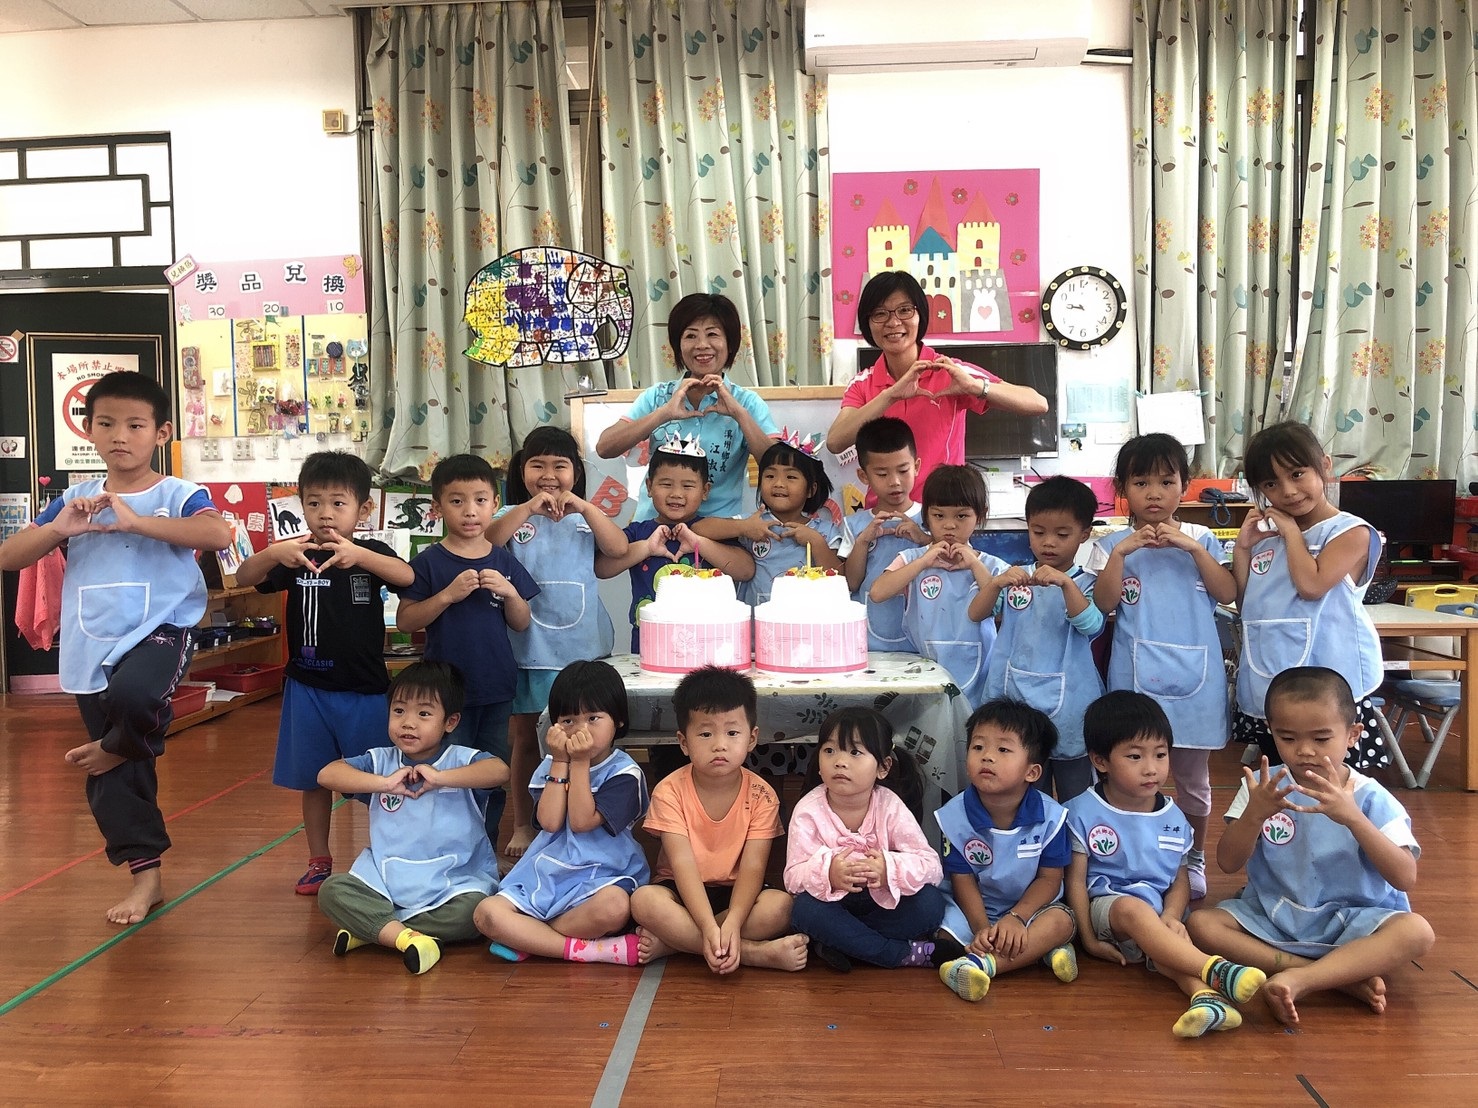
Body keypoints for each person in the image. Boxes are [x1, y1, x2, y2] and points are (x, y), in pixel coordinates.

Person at [0, 371, 231, 926]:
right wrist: (61, 528)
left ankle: (119, 742)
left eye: (134, 424)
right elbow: (11, 556)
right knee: (114, 778)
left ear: (161, 432)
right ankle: (144, 876)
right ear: (89, 429)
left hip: (162, 624)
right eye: (105, 423)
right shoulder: (75, 498)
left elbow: (217, 536)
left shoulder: (177, 493)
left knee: (135, 695)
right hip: (89, 639)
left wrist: (137, 520)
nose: (119, 435)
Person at [1187, 667, 1434, 1026]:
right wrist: (1253, 816)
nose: (1304, 751)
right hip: (1275, 915)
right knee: (1202, 925)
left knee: (1417, 932)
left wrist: (1354, 819)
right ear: (1272, 732)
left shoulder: (1371, 798)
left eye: (1321, 739)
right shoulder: (1262, 788)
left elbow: (1404, 877)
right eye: (1288, 738)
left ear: (1353, 735)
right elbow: (1227, 862)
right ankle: (1335, 977)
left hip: (1356, 921)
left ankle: (1300, 979)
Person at [234, 451, 415, 894]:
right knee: (313, 778)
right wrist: (276, 551)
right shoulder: (296, 554)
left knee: (379, 779)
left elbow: (407, 577)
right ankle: (319, 859)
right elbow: (244, 576)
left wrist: (361, 557)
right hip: (307, 688)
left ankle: (386, 857)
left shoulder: (370, 552)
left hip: (365, 690)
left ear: (363, 509)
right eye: (314, 503)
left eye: (338, 503)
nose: (325, 514)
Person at [1065, 691, 1267, 1038]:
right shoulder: (1080, 811)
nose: (1152, 768)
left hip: (1158, 913)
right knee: (1134, 911)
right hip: (1107, 910)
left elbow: (1179, 879)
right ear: (1100, 761)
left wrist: (1172, 916)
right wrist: (1087, 939)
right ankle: (1217, 970)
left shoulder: (1173, 816)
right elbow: (1075, 882)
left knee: (1167, 946)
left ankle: (1205, 998)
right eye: (1134, 756)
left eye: (1160, 755)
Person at [1089, 433, 1237, 899]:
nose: (1154, 493)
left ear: (1185, 486)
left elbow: (1228, 593)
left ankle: (1190, 856)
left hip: (1198, 682)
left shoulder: (1204, 538)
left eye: (1167, 481)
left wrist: (1192, 550)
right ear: (1123, 489)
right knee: (1125, 774)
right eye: (1141, 482)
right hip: (1134, 679)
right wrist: (1120, 554)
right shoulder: (1110, 543)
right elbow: (1102, 604)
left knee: (1193, 779)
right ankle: (1122, 856)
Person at [489, 427, 628, 859]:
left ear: (576, 473)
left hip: (582, 649)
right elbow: (488, 542)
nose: (549, 475)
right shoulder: (512, 514)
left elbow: (618, 548)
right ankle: (524, 823)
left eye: (560, 466)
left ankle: (584, 813)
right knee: (526, 738)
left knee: (589, 736)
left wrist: (585, 507)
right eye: (537, 465)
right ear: (521, 471)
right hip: (528, 647)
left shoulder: (587, 517)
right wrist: (527, 507)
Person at [316, 662, 507, 975]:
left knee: (477, 913)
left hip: (454, 884)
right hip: (385, 883)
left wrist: (442, 777)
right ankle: (405, 937)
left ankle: (376, 929)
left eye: (424, 714)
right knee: (332, 891)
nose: (408, 723)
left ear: (451, 721)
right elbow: (327, 774)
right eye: (399, 711)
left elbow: (500, 770)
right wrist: (384, 783)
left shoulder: (463, 759)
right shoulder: (380, 761)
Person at [396, 454, 538, 845]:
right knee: (446, 771)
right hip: (443, 695)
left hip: (495, 687)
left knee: (491, 773)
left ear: (495, 504)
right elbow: (406, 622)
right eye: (457, 501)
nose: (470, 511)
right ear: (437, 508)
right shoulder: (428, 562)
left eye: (480, 499)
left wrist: (509, 592)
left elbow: (522, 621)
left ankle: (484, 848)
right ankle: (446, 847)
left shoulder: (503, 559)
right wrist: (446, 596)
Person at [629, 666, 808, 973]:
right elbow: (682, 865)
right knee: (644, 901)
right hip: (682, 890)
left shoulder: (762, 795)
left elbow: (753, 867)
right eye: (706, 733)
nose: (720, 744)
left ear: (752, 738)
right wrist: (708, 927)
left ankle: (676, 945)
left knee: (780, 906)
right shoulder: (670, 791)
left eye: (732, 732)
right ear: (684, 742)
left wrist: (733, 921)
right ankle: (751, 953)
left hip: (738, 893)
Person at [1232, 421, 1388, 770]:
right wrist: (1243, 549)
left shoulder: (1351, 531)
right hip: (1273, 688)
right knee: (1281, 794)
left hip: (1328, 694)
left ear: (1325, 465)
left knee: (1336, 792)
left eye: (1298, 474)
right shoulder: (1265, 539)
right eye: (1271, 484)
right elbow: (1247, 605)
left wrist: (1289, 532)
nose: (1287, 491)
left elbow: (1312, 585)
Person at [474, 660, 650, 966]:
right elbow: (551, 822)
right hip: (548, 870)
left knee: (615, 907)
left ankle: (531, 939)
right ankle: (587, 950)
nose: (580, 729)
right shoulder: (551, 764)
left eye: (593, 718)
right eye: (568, 721)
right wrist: (559, 761)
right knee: (486, 914)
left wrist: (579, 763)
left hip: (602, 874)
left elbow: (582, 823)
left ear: (618, 720)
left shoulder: (625, 774)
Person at [824, 271, 1048, 500]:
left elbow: (1038, 403)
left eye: (904, 310)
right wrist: (891, 395)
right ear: (867, 323)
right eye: (880, 314)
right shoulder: (863, 382)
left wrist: (976, 387)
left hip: (942, 516)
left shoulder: (949, 372)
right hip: (884, 520)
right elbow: (835, 442)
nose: (893, 322)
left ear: (920, 315)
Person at [933, 699, 1080, 1002]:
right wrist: (982, 930)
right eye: (978, 747)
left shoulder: (1052, 818)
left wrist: (1016, 917)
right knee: (941, 935)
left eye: (1003, 750)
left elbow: (1050, 879)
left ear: (1032, 771)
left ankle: (980, 964)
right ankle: (1036, 953)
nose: (987, 757)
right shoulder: (954, 816)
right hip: (976, 908)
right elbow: (963, 880)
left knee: (1062, 922)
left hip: (1028, 908)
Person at [784, 707, 945, 972]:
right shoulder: (808, 810)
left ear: (883, 767)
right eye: (829, 750)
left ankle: (843, 943)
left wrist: (889, 868)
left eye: (855, 752)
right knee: (804, 910)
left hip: (882, 903)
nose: (840, 761)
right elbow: (792, 877)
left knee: (930, 903)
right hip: (833, 904)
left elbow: (931, 866)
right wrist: (828, 873)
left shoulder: (890, 806)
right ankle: (900, 954)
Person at [594, 292, 778, 520]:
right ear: (678, 346)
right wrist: (664, 413)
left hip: (718, 534)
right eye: (690, 336)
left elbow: (777, 465)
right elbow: (605, 447)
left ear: (730, 344)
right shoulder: (657, 396)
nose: (702, 345)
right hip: (654, 528)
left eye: (712, 334)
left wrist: (739, 414)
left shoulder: (747, 403)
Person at [983, 476, 1104, 801]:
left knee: (1076, 794)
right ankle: (1033, 849)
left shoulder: (1087, 583)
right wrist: (995, 584)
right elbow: (976, 613)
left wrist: (1066, 585)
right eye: (1038, 532)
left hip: (1071, 706)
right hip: (1016, 697)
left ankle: (1076, 852)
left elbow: (1091, 625)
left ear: (1084, 534)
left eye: (1062, 534)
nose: (1049, 542)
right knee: (1025, 791)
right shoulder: (1015, 578)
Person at [869, 465, 1009, 708]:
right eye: (939, 515)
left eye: (961, 516)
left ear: (980, 514)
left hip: (982, 675)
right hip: (925, 671)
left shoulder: (992, 566)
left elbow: (1000, 609)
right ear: (926, 516)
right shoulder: (912, 558)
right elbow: (878, 593)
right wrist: (923, 562)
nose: (949, 525)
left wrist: (975, 565)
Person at [595, 441, 754, 651]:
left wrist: (699, 542)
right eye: (666, 484)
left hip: (708, 644)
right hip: (650, 644)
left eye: (688, 486)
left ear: (705, 490)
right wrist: (647, 548)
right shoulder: (638, 532)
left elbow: (746, 570)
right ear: (649, 487)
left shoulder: (712, 531)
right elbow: (601, 568)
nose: (676, 494)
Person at [692, 435, 842, 605]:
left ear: (811, 489)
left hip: (804, 626)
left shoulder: (825, 531)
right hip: (757, 625)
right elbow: (699, 528)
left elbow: (841, 582)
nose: (778, 483)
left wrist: (817, 543)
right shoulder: (752, 523)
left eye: (791, 477)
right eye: (770, 476)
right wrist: (743, 528)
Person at [840, 416, 929, 653]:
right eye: (882, 474)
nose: (895, 482)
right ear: (863, 476)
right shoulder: (854, 524)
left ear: (917, 466)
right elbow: (851, 582)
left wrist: (923, 539)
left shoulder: (933, 519)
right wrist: (863, 541)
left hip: (923, 639)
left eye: (903, 470)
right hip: (867, 642)